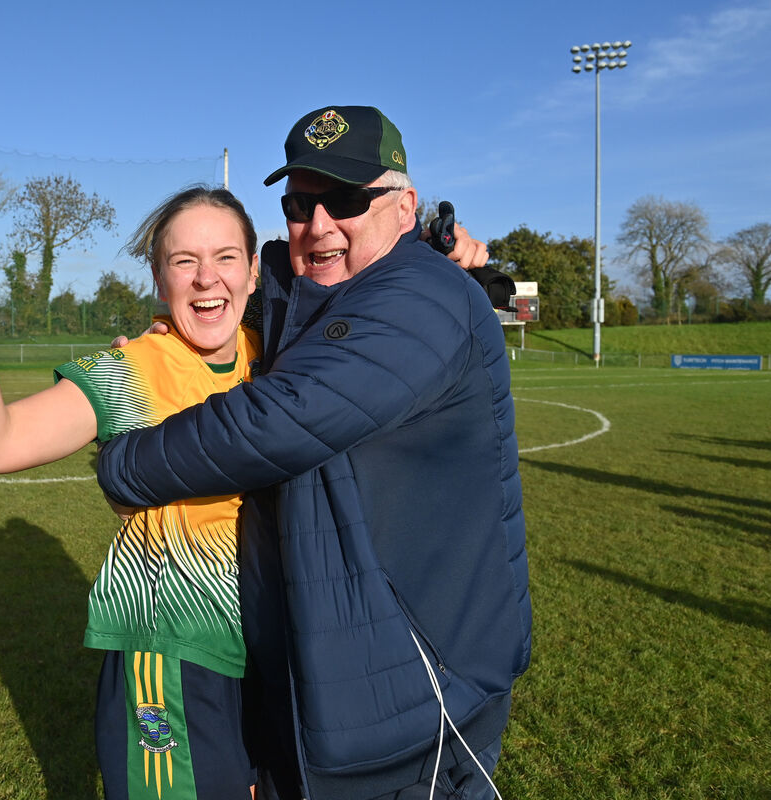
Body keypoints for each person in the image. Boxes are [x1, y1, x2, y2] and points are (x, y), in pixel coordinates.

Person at [96, 105, 531, 800]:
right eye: (301, 203)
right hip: (334, 679)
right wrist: (185, 322)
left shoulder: (421, 297)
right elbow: (246, 277)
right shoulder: (319, 288)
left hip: (420, 697)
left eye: (349, 199)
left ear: (405, 207)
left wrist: (124, 461)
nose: (320, 224)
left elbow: (279, 419)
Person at [0, 187, 264, 799]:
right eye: (184, 261)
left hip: (269, 645)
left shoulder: (277, 357)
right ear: (160, 278)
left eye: (226, 257)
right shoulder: (130, 368)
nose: (206, 277)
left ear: (255, 269)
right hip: (173, 650)